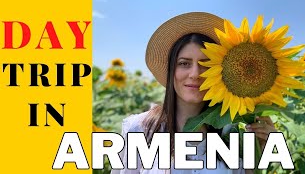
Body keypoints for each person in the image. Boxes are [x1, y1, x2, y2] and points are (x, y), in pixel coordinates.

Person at [112, 12, 276, 174]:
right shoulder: (140, 129)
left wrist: (259, 148)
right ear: (171, 71)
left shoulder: (231, 133)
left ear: (221, 72)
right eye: (184, 63)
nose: (195, 74)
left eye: (206, 64)